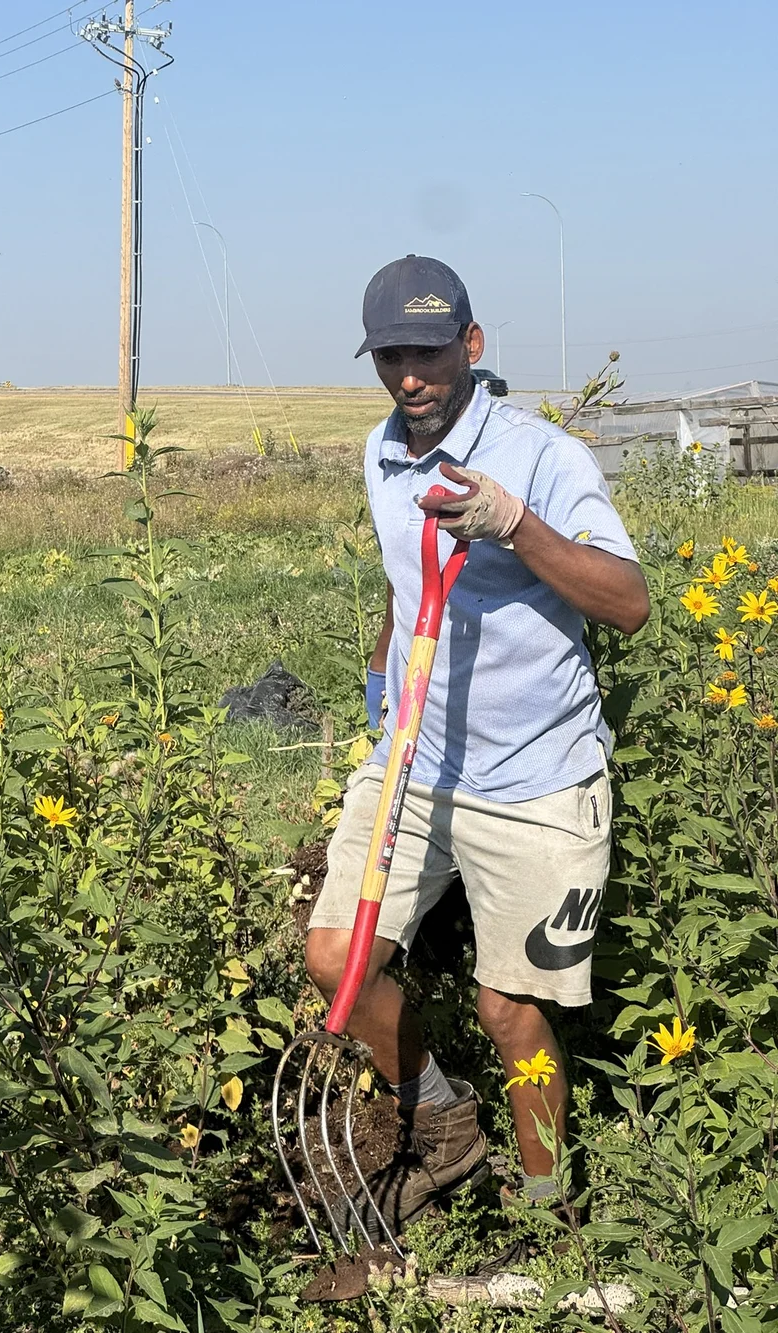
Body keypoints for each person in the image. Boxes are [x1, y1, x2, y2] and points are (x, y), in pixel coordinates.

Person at [305, 254, 650, 1235]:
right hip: (416, 762)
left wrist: (514, 526)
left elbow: (629, 602)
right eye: (390, 357)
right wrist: (381, 685)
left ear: (471, 343)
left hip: (537, 776)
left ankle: (548, 1209)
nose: (409, 376)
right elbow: (404, 575)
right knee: (335, 957)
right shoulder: (382, 453)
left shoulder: (542, 457)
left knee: (510, 1012)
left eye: (427, 352)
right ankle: (443, 1121)